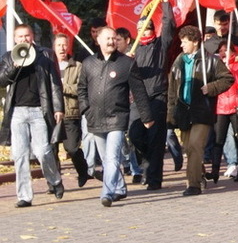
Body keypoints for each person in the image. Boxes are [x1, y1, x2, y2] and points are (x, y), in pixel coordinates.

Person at [78, 26, 153, 207]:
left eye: (114, 38)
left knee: (112, 158)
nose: (111, 42)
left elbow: (139, 91)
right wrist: (86, 110)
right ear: (98, 41)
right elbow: (81, 90)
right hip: (95, 118)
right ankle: (119, 187)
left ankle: (107, 192)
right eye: (108, 39)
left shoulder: (126, 63)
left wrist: (146, 116)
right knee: (105, 158)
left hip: (117, 119)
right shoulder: (88, 63)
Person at [0, 24, 66, 208]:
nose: (23, 39)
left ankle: (55, 180)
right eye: (20, 36)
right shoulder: (8, 57)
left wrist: (58, 108)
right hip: (17, 113)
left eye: (26, 36)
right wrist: (13, 67)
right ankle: (24, 196)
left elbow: (55, 85)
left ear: (32, 37)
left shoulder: (44, 56)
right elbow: (1, 80)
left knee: (43, 151)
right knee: (19, 155)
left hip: (39, 110)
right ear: (15, 39)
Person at [167, 25, 234, 196]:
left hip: (202, 111)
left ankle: (193, 185)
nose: (182, 45)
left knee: (196, 146)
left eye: (185, 41)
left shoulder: (210, 60)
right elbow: (172, 90)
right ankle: (200, 173)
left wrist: (210, 87)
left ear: (195, 42)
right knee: (189, 148)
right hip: (183, 111)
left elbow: (227, 78)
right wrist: (171, 113)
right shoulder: (179, 61)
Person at [127, 0, 175, 190]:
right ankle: (147, 163)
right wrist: (125, 62)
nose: (141, 32)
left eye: (145, 28)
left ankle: (154, 179)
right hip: (137, 99)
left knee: (155, 138)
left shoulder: (160, 45)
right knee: (135, 134)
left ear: (151, 29)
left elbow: (169, 24)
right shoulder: (131, 50)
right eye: (138, 29)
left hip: (157, 97)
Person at [209, 40, 238, 183]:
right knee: (218, 140)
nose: (222, 53)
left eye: (225, 50)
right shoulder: (216, 66)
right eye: (220, 51)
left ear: (233, 51)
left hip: (236, 105)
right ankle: (214, 171)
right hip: (221, 106)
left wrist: (231, 72)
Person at [53, 33, 90, 188]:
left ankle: (83, 171)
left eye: (64, 45)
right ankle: (54, 183)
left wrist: (63, 87)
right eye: (59, 45)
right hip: (51, 113)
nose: (62, 48)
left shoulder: (76, 65)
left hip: (70, 112)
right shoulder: (48, 64)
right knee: (51, 150)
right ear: (53, 47)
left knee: (72, 148)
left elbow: (82, 87)